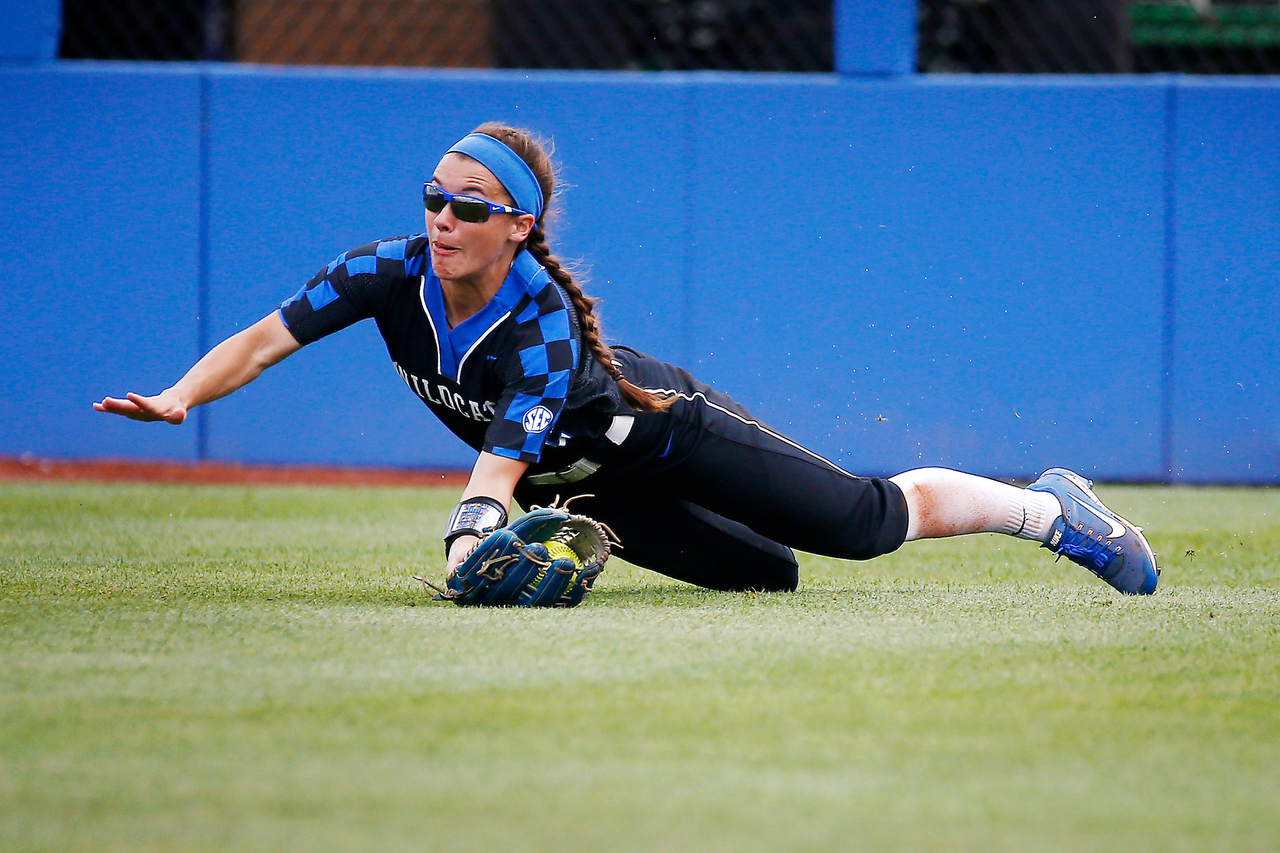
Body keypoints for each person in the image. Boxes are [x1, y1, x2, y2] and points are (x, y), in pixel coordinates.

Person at [95, 122, 1159, 596]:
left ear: (515, 225)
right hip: (600, 493)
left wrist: (469, 551)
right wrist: (183, 396)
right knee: (762, 576)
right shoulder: (385, 272)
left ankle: (1049, 509)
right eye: (432, 197)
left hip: (661, 433)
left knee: (857, 526)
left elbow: (495, 472)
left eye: (467, 206)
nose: (440, 217)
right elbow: (266, 337)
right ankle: (647, 541)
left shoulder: (542, 323)